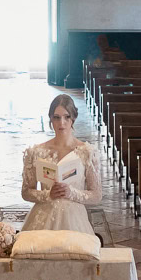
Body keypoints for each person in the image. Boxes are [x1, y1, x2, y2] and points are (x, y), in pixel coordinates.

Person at [20, 93, 101, 235]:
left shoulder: (87, 152)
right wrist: (48, 195)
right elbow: (26, 192)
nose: (61, 123)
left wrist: (72, 193)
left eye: (66, 116)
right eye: (56, 117)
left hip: (74, 219)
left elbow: (96, 195)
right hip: (43, 218)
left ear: (73, 118)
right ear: (51, 119)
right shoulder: (36, 152)